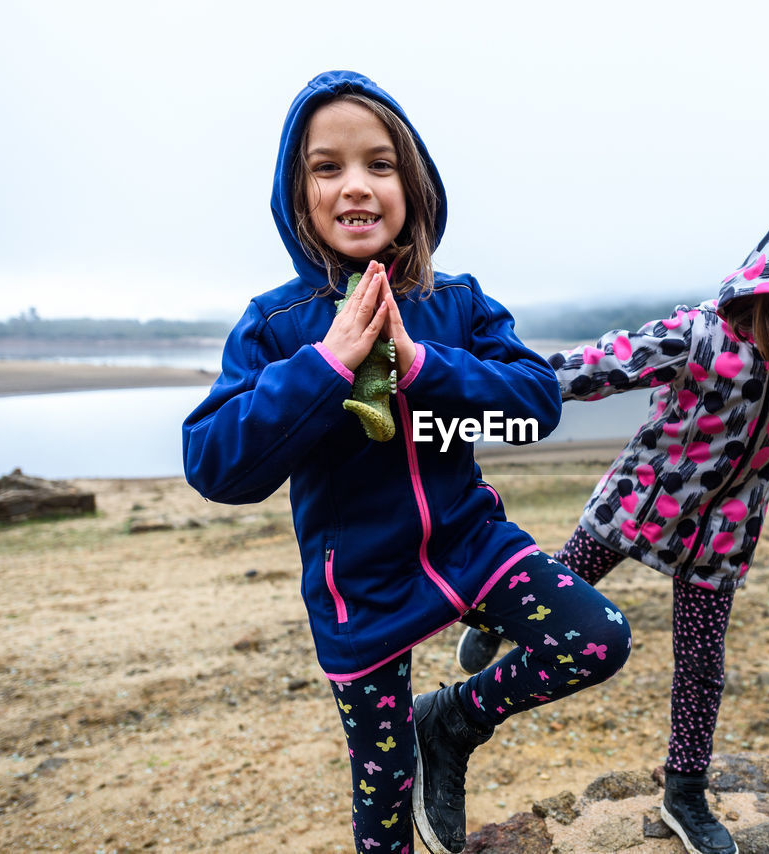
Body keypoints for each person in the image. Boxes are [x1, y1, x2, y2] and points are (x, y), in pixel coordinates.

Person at [181, 70, 632, 854]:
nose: (355, 185)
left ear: (413, 185)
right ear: (298, 195)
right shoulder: (275, 326)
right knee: (383, 815)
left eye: (379, 164)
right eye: (327, 167)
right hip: (358, 587)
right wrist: (324, 366)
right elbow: (216, 466)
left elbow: (536, 405)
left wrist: (424, 365)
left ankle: (450, 722)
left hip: (470, 543)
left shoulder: (456, 300)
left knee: (597, 637)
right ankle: (407, 764)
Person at [455, 199, 769, 854]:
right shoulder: (697, 337)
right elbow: (599, 364)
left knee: (701, 665)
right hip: (636, 503)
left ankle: (685, 790)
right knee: (555, 587)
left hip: (722, 534)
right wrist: (497, 389)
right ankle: (491, 623)